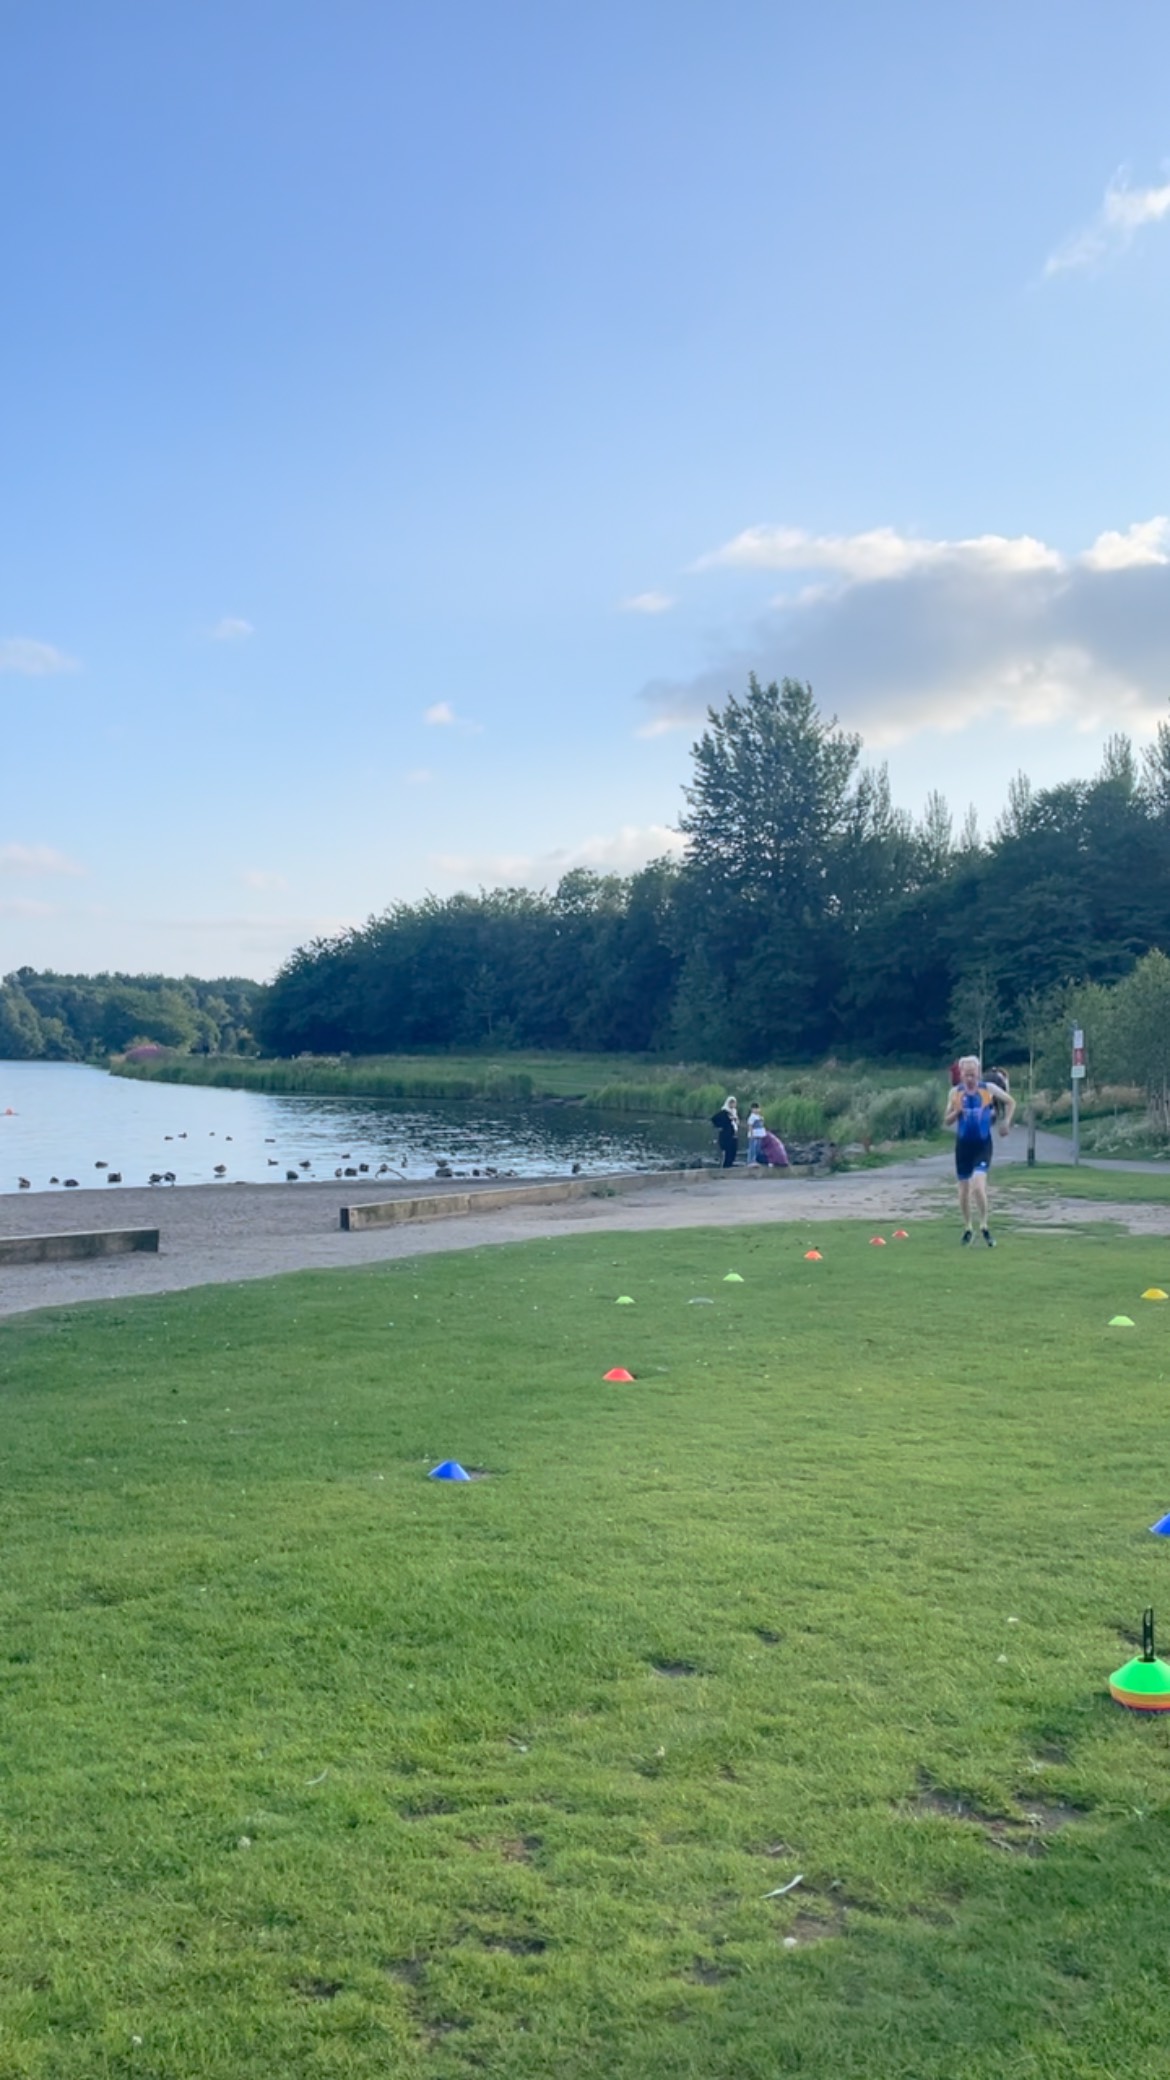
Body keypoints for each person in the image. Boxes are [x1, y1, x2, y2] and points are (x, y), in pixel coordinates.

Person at [944, 1055, 1015, 1246]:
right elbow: (947, 1120)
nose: (970, 1079)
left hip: (982, 1145)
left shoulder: (987, 1089)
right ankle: (968, 1227)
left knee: (978, 1185)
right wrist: (956, 1112)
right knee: (963, 1190)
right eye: (966, 1075)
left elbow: (1010, 1102)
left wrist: (1006, 1121)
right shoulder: (955, 1093)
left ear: (978, 1073)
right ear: (961, 1075)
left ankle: (984, 1224)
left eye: (973, 1074)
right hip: (963, 1146)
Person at [710, 1095, 739, 1168]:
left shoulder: (734, 1112)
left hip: (733, 1135)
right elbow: (714, 1119)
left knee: (733, 1152)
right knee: (727, 1152)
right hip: (726, 1135)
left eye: (734, 1103)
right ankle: (725, 1167)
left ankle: (730, 1166)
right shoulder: (724, 1112)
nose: (732, 1105)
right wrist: (720, 1126)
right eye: (731, 1103)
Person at [746, 1102, 766, 1167]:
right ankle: (750, 1161)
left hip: (760, 1134)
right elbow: (750, 1126)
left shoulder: (759, 1116)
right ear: (752, 1109)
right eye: (755, 1109)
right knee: (752, 1148)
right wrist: (751, 1134)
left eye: (758, 1108)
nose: (757, 1110)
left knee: (758, 1148)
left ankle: (756, 1160)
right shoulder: (752, 1117)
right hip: (754, 1135)